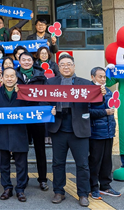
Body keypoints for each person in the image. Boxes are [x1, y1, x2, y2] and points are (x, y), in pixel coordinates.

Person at [47, 54, 99, 207]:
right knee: (57, 163)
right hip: (58, 129)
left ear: (74, 66)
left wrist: (101, 93)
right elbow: (42, 101)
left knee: (82, 164)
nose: (66, 67)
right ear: (58, 67)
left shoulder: (86, 84)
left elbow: (97, 100)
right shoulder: (50, 83)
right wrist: (50, 109)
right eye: (62, 64)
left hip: (80, 130)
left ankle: (83, 194)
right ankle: (58, 191)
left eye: (69, 64)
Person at [0, 67, 29, 202]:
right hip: (2, 133)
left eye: (12, 76)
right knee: (3, 164)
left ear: (16, 78)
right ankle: (7, 188)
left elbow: (34, 108)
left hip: (19, 132)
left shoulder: (24, 92)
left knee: (21, 164)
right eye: (7, 76)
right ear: (2, 78)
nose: (10, 79)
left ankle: (21, 189)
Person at [15, 53, 49, 191]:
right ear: (19, 61)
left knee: (40, 149)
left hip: (37, 116)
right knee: (22, 150)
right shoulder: (14, 75)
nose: (26, 62)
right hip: (20, 117)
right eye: (23, 60)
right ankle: (23, 178)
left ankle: (43, 179)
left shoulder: (41, 76)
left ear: (33, 61)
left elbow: (47, 94)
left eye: (29, 60)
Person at [88, 67, 121, 199]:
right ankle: (93, 187)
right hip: (95, 132)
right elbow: (87, 111)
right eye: (100, 76)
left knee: (107, 160)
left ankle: (106, 185)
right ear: (92, 77)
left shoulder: (107, 91)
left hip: (108, 131)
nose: (102, 79)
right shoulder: (89, 91)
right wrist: (104, 112)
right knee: (95, 160)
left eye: (104, 77)